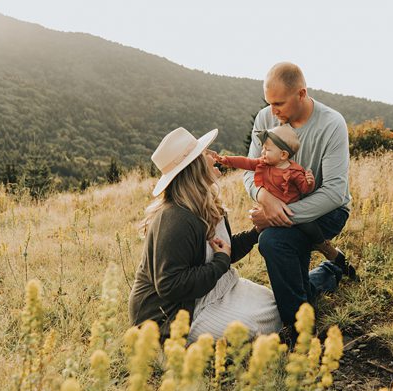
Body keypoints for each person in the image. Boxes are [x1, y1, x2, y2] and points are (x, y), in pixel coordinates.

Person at [128, 127, 282, 343]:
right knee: (254, 326)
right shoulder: (175, 218)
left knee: (276, 304)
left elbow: (222, 250)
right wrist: (220, 263)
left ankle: (326, 275)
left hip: (206, 291)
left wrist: (256, 232)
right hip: (174, 314)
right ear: (194, 167)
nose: (213, 155)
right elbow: (170, 286)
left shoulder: (207, 204)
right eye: (206, 153)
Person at [244, 62, 355, 338]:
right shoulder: (265, 119)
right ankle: (328, 273)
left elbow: (334, 192)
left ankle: (298, 332)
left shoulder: (331, 124)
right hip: (284, 208)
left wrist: (277, 214)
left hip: (326, 212)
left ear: (302, 94)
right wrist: (262, 195)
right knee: (282, 255)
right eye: (268, 103)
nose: (272, 111)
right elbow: (250, 173)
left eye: (279, 103)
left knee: (271, 240)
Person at [215, 124, 350, 267]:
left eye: (267, 149)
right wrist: (227, 160)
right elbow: (246, 162)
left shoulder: (294, 171)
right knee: (263, 228)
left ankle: (322, 245)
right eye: (263, 148)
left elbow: (305, 189)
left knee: (308, 226)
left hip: (291, 210)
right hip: (272, 210)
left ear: (283, 155)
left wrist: (309, 182)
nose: (262, 152)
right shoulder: (262, 164)